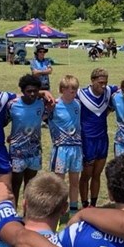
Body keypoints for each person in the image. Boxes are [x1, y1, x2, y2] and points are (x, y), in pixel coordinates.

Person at [77, 68, 119, 208]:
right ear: (93, 80)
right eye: (100, 82)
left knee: (97, 174)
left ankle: (93, 205)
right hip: (87, 140)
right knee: (86, 175)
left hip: (102, 139)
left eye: (105, 82)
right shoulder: (80, 94)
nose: (103, 85)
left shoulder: (108, 90)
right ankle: (84, 204)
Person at [47, 75, 83, 215]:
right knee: (58, 184)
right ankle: (56, 211)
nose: (74, 92)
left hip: (76, 148)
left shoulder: (77, 105)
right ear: (62, 90)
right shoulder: (53, 105)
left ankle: (73, 211)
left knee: (75, 182)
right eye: (71, 90)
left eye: (75, 89)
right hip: (61, 148)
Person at [8, 74, 46, 207]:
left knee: (30, 186)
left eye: (35, 91)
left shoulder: (41, 103)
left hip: (34, 151)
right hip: (17, 151)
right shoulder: (12, 105)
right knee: (15, 184)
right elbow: (3, 121)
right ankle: (13, 213)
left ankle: (27, 214)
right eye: (28, 91)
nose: (32, 94)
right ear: (22, 91)